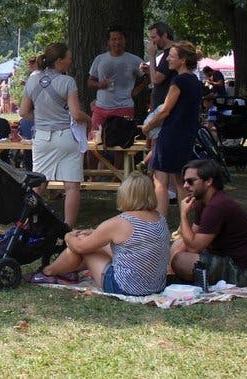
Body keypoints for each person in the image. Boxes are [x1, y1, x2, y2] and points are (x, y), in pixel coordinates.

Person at [29, 173, 170, 296]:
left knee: (82, 244)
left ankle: (47, 272)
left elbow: (80, 247)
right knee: (94, 243)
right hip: (155, 286)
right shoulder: (159, 218)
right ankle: (67, 271)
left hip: (125, 287)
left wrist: (68, 236)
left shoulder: (121, 222)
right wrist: (95, 233)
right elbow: (134, 244)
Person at [19, 42, 91, 227]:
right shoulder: (67, 82)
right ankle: (67, 228)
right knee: (72, 186)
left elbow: (24, 112)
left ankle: (24, 221)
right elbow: (75, 114)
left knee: (38, 184)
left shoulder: (32, 80)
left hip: (42, 136)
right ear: (59, 61)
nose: (71, 61)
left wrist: (42, 117)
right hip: (66, 135)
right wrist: (88, 119)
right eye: (69, 58)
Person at [170, 159, 247, 287]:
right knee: (178, 244)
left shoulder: (217, 206)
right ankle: (174, 274)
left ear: (208, 181)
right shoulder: (203, 202)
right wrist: (171, 265)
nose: (185, 186)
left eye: (191, 181)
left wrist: (183, 215)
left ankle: (181, 275)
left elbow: (194, 247)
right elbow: (190, 238)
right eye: (184, 181)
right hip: (222, 257)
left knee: (181, 261)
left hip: (242, 272)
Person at [141, 41, 204, 217]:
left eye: (172, 56)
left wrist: (147, 127)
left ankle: (160, 220)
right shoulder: (195, 81)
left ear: (182, 60)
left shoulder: (178, 80)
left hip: (171, 134)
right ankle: (184, 224)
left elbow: (164, 111)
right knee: (179, 180)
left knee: (159, 179)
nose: (168, 58)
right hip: (187, 134)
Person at [88, 25, 144, 134]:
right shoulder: (100, 59)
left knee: (121, 144)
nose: (117, 42)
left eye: (120, 39)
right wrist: (100, 84)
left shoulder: (135, 60)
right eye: (114, 39)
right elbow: (89, 82)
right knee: (94, 143)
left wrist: (138, 89)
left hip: (124, 108)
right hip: (101, 108)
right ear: (108, 42)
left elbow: (149, 76)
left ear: (125, 40)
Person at [146, 21, 176, 110]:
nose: (152, 42)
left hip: (164, 108)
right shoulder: (167, 54)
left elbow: (155, 80)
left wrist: (151, 56)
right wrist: (149, 70)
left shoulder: (171, 55)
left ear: (165, 35)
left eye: (154, 37)